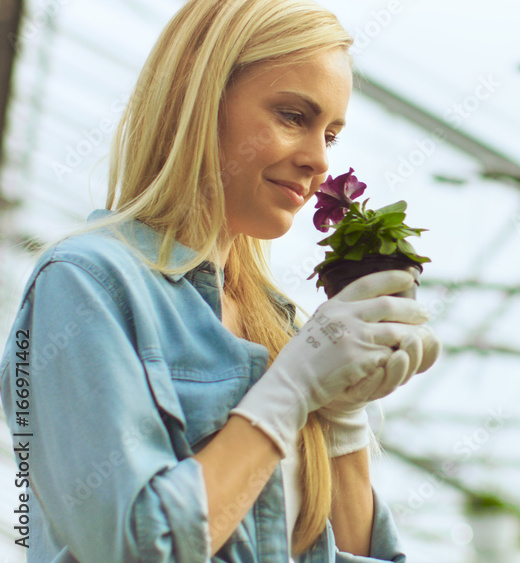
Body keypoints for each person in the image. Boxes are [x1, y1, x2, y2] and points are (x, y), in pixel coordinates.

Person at [0, 0, 440, 561]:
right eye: (291, 116)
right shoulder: (88, 286)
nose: (318, 161)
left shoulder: (281, 325)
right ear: (199, 99)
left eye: (330, 134)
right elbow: (132, 549)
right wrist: (288, 394)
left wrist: (344, 420)